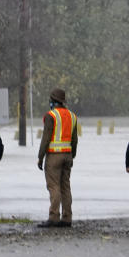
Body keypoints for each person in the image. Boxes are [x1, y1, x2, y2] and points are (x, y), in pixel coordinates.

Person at [37, 88, 78, 228]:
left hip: (54, 156)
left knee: (54, 186)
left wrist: (40, 157)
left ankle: (54, 217)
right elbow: (75, 139)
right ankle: (67, 218)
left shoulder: (51, 116)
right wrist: (72, 155)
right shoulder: (72, 116)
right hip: (68, 155)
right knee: (65, 186)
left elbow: (46, 137)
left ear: (53, 101)